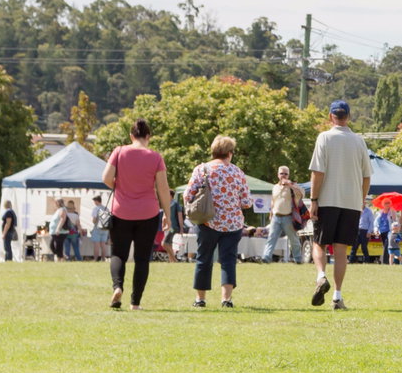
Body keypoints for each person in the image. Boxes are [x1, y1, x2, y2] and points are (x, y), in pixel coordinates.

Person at [308, 100, 373, 310]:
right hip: (351, 202)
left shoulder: (324, 137)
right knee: (341, 250)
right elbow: (366, 176)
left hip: (327, 199)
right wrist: (361, 199)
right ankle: (337, 296)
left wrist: (314, 200)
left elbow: (318, 172)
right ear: (349, 117)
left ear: (330, 117)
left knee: (318, 242)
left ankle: (320, 276)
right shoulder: (358, 141)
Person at [102, 118, 172, 309]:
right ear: (148, 136)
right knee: (142, 259)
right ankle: (135, 303)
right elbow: (163, 188)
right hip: (148, 213)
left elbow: (106, 178)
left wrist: (121, 186)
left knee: (118, 254)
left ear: (131, 136)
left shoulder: (119, 151)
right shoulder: (156, 157)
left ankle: (117, 288)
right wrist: (167, 214)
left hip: (120, 211)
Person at [186, 135, 249, 309]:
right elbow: (247, 202)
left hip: (208, 222)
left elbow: (188, 194)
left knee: (203, 259)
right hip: (233, 224)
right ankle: (226, 300)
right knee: (228, 260)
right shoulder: (237, 172)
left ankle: (200, 299)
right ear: (229, 153)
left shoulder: (202, 169)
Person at [264, 166, 306, 264]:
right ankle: (266, 257)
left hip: (288, 217)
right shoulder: (275, 187)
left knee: (293, 239)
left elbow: (302, 194)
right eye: (282, 173)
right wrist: (271, 214)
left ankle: (298, 258)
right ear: (278, 175)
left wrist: (290, 185)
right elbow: (273, 201)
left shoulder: (292, 186)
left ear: (288, 175)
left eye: (286, 173)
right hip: (276, 217)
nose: (283, 175)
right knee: (271, 238)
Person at [87, 196, 110, 260]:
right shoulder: (106, 208)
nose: (94, 202)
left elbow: (94, 221)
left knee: (96, 245)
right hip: (105, 229)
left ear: (96, 201)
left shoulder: (96, 208)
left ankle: (95, 259)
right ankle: (103, 259)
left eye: (94, 201)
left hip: (97, 228)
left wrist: (94, 222)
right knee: (103, 245)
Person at [355, 197, 374, 264]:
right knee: (354, 246)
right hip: (357, 230)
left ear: (364, 203)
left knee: (364, 247)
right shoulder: (356, 210)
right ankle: (352, 260)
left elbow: (371, 222)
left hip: (364, 231)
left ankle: (367, 260)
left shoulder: (369, 211)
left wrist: (369, 232)